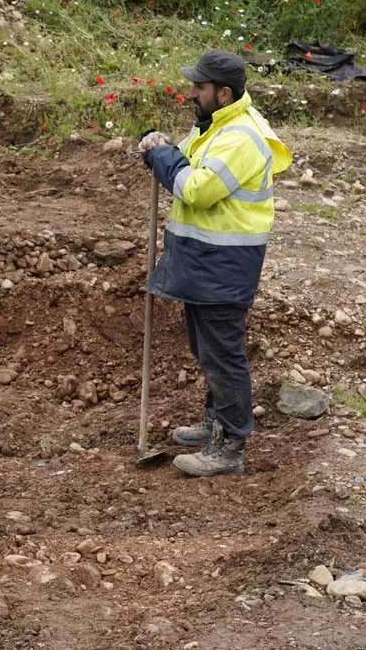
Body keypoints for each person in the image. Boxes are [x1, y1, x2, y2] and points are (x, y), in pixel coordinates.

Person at [138, 50, 293, 477]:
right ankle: (214, 424)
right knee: (207, 350)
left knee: (223, 355)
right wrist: (161, 150)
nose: (192, 94)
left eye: (199, 88)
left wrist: (161, 156)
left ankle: (230, 445)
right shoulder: (213, 125)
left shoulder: (242, 137)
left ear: (223, 94)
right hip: (201, 261)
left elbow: (197, 188)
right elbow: (181, 160)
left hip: (224, 264)